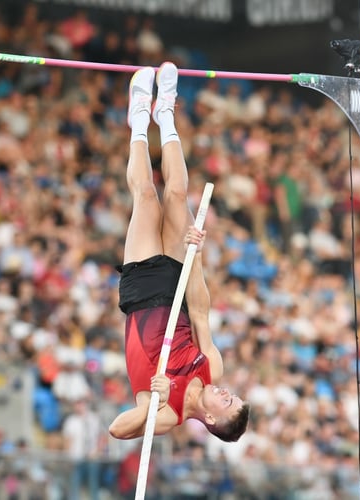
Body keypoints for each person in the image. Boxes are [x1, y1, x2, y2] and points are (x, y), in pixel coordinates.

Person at [109, 62, 250, 442]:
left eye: (227, 403)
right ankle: (165, 113)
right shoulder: (212, 369)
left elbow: (117, 430)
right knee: (175, 195)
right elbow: (201, 311)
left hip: (141, 298)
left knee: (146, 197)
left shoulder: (170, 416)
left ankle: (138, 117)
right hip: (176, 287)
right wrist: (196, 256)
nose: (226, 393)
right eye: (233, 397)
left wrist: (149, 406)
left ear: (211, 420)